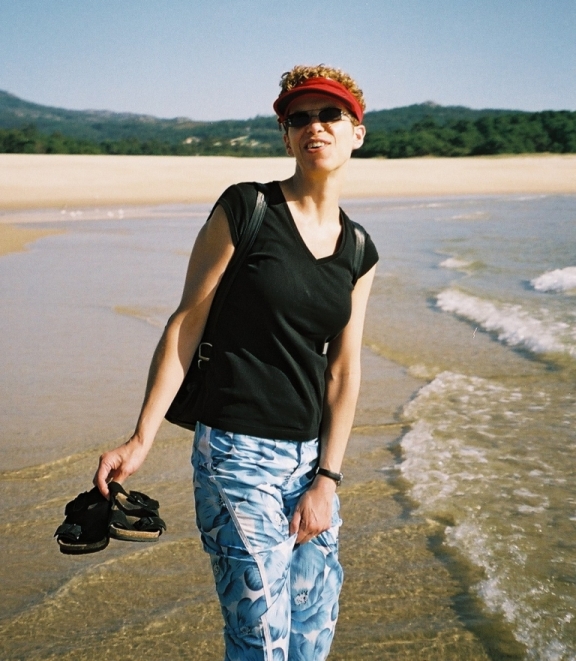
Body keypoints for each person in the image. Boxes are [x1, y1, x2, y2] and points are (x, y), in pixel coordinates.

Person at [95, 64, 379, 661]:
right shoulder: (247, 208)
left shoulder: (359, 248)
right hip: (234, 454)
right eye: (298, 118)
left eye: (329, 114)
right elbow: (186, 322)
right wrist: (141, 438)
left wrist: (327, 480)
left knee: (311, 636)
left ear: (357, 131)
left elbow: (343, 370)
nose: (314, 126)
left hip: (310, 462)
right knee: (261, 639)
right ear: (286, 136)